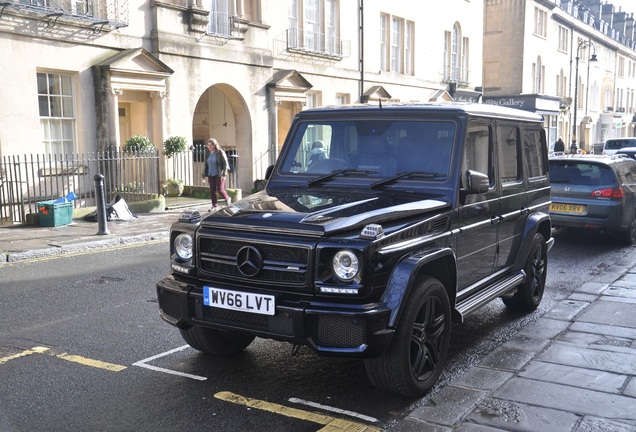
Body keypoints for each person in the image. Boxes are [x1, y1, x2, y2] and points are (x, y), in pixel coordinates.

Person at [201, 138, 231, 211]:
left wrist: (224, 175)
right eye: (208, 145)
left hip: (219, 174)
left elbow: (225, 164)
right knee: (212, 190)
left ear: (215, 145)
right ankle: (214, 205)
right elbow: (206, 165)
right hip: (211, 174)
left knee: (220, 189)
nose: (210, 147)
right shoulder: (207, 153)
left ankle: (227, 198)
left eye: (211, 145)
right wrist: (203, 176)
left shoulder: (220, 152)